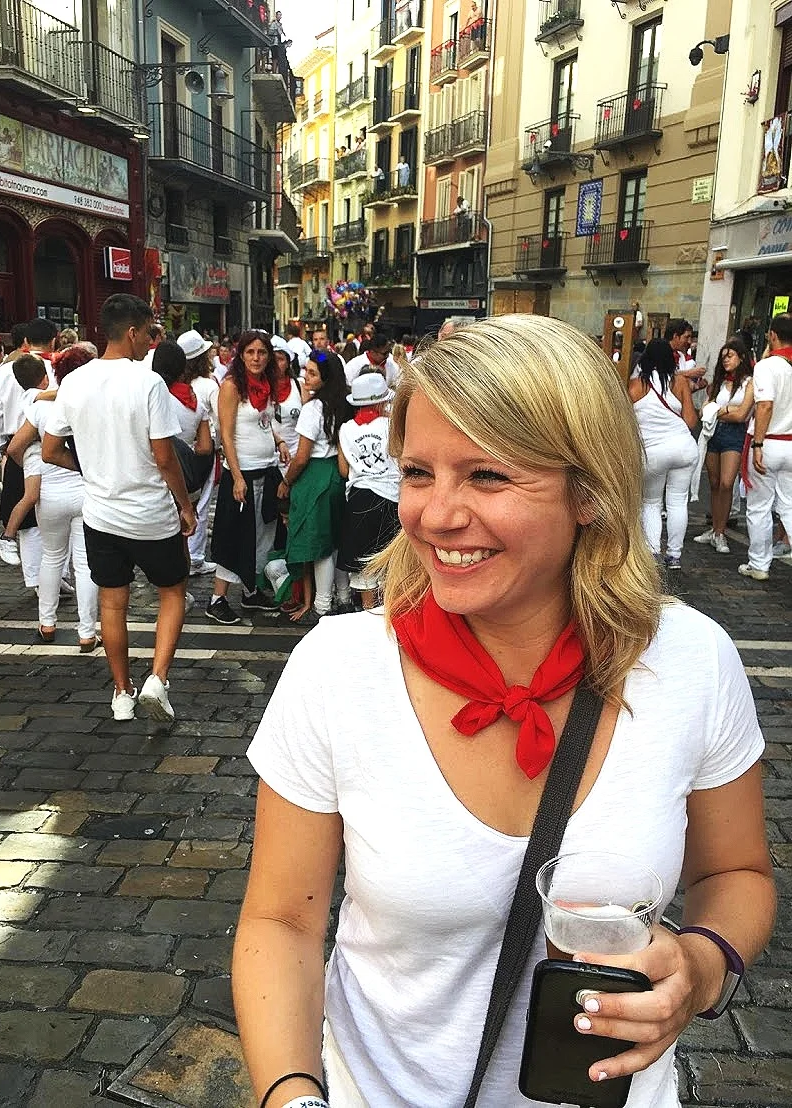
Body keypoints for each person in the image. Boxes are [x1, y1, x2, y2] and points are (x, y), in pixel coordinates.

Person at [232, 314, 775, 1108]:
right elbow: (280, 921)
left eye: (487, 476)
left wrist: (699, 965)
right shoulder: (338, 669)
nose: (435, 515)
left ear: (588, 491)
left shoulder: (689, 660)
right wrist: (291, 1096)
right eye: (418, 472)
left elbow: (737, 872)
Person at [43, 293, 196, 725]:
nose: (151, 343)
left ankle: (121, 692)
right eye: (149, 334)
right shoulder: (148, 383)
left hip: (101, 515)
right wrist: (186, 507)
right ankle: (157, 679)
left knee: (112, 604)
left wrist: (88, 468)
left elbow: (51, 449)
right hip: (149, 512)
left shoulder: (73, 382)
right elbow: (165, 458)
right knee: (172, 592)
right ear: (132, 333)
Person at [7, 345, 99, 650]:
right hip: (87, 490)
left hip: (51, 491)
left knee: (52, 556)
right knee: (85, 563)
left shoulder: (41, 405)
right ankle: (87, 631)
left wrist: (31, 464)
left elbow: (14, 447)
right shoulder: (95, 403)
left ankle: (47, 623)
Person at [207, 330, 290, 625]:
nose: (256, 358)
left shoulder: (266, 386)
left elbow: (264, 423)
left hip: (266, 469)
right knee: (235, 536)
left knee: (262, 535)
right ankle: (217, 598)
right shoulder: (231, 387)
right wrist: (237, 476)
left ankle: (250, 590)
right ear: (241, 355)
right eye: (251, 352)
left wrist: (279, 440)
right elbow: (226, 436)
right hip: (242, 473)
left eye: (262, 353)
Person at [279, 349, 351, 621]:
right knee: (337, 540)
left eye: (311, 373)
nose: (305, 377)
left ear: (325, 378)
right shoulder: (345, 403)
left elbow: (301, 457)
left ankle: (322, 604)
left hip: (316, 475)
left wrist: (286, 481)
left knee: (318, 543)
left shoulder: (312, 410)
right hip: (339, 473)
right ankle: (343, 596)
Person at [0, 317, 58, 590]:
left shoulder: (6, 371)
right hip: (49, 444)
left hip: (14, 444)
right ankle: (52, 575)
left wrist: (1, 449)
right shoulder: (56, 370)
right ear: (53, 339)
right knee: (47, 509)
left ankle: (36, 577)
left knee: (31, 513)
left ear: (26, 342)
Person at [629, 338, 698, 569]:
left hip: (653, 452)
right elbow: (690, 420)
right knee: (678, 502)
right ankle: (675, 555)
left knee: (651, 503)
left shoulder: (636, 385)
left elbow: (625, 423)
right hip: (684, 448)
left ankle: (652, 552)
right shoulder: (679, 381)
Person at [337, 372, 400, 609]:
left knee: (363, 565)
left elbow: (343, 469)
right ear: (382, 401)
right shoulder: (391, 424)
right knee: (389, 559)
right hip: (390, 498)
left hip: (359, 497)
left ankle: (367, 611)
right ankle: (388, 611)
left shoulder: (345, 429)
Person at [738, 312, 792, 581]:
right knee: (789, 506)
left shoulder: (767, 366)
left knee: (759, 506)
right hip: (790, 444)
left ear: (772, 335)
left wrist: (757, 443)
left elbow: (765, 405)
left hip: (769, 442)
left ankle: (759, 563)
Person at [693, 338, 753, 555]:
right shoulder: (718, 383)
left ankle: (721, 531)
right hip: (714, 433)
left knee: (728, 483)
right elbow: (703, 410)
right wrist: (724, 410)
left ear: (741, 357)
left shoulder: (748, 383)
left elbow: (742, 414)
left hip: (735, 435)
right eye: (724, 356)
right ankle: (714, 528)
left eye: (731, 356)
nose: (726, 360)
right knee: (714, 482)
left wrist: (719, 410)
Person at [0, 354, 48, 567]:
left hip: (29, 450)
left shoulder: (30, 394)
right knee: (30, 497)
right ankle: (7, 537)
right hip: (29, 450)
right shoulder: (34, 395)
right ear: (44, 377)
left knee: (37, 503)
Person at [175, 330, 218, 576]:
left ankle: (184, 553)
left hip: (178, 451)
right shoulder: (209, 386)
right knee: (201, 503)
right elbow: (219, 423)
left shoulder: (176, 385)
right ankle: (197, 556)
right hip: (203, 450)